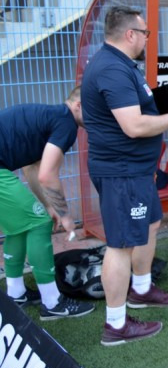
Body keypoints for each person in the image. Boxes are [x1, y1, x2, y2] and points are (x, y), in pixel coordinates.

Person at [82, 6, 168, 346]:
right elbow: (133, 126)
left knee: (149, 225)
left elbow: (135, 112)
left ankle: (141, 290)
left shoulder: (120, 65)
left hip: (136, 170)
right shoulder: (111, 68)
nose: (148, 38)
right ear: (130, 34)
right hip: (122, 172)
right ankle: (115, 325)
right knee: (120, 245)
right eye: (145, 33)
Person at [0, 87, 95, 320]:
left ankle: (16, 294)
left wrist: (50, 206)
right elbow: (47, 176)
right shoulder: (66, 123)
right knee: (39, 223)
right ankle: (53, 303)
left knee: (20, 226)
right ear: (78, 106)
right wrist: (66, 216)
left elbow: (32, 169)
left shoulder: (51, 118)